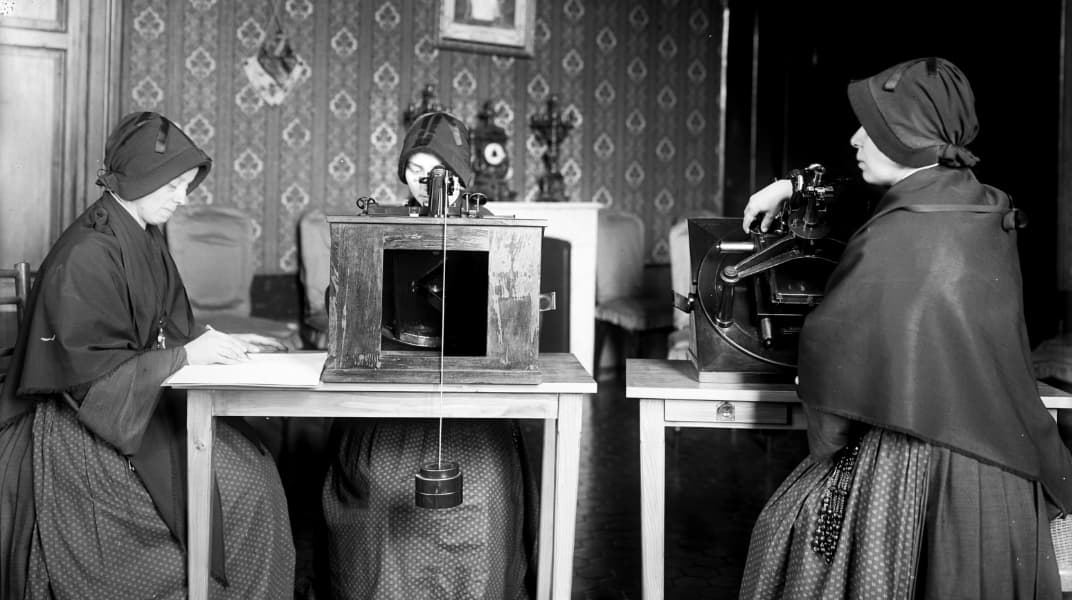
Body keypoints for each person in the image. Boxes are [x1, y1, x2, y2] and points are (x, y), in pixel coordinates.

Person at [738, 57, 1072, 598]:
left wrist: (829, 440)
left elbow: (831, 349)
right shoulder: (982, 206)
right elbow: (884, 191)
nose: (854, 138)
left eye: (870, 126)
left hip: (918, 472)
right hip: (1003, 478)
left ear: (908, 133)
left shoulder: (899, 235)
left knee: (784, 535)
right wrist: (795, 186)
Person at [0, 111, 294, 599]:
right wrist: (185, 358)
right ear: (139, 176)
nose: (183, 199)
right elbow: (86, 378)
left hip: (139, 397)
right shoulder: (86, 253)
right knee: (241, 486)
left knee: (253, 463)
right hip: (88, 420)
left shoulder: (143, 232)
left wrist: (212, 341)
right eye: (173, 185)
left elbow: (168, 325)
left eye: (185, 185)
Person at [321, 110, 537, 599]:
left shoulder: (494, 234)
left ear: (462, 177)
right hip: (392, 388)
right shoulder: (381, 227)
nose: (427, 184)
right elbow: (345, 305)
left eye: (439, 172)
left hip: (470, 396)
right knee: (375, 484)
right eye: (416, 172)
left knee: (485, 492)